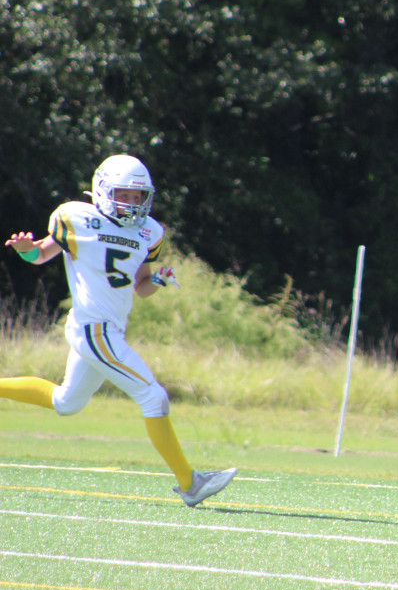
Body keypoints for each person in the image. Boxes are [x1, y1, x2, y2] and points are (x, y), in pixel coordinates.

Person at [0, 154, 237, 507]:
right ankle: (191, 484)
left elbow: (139, 286)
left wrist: (156, 279)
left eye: (138, 196)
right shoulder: (76, 217)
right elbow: (41, 256)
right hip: (94, 329)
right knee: (154, 397)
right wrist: (25, 251)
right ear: (103, 190)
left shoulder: (149, 232)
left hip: (108, 330)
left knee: (66, 403)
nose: (132, 203)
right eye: (124, 194)